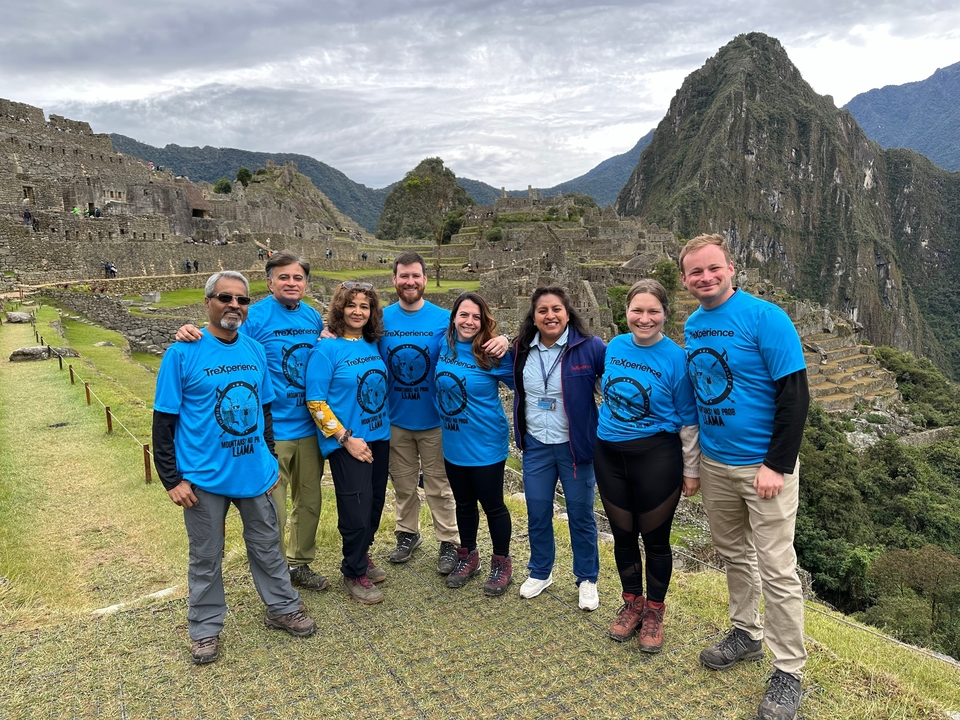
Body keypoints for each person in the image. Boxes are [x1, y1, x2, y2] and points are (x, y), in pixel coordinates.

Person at [152, 271, 317, 666]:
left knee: (267, 546)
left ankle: (281, 607)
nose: (234, 306)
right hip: (204, 477)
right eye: (225, 298)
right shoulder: (183, 353)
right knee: (206, 556)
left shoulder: (254, 350)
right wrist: (171, 479)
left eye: (241, 300)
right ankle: (205, 628)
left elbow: (265, 410)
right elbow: (163, 421)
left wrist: (271, 457)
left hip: (254, 472)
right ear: (208, 302)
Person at [680, 234, 809, 720]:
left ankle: (789, 670)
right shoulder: (693, 324)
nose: (705, 278)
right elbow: (698, 394)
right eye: (696, 272)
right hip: (715, 464)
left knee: (776, 565)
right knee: (734, 553)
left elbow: (795, 397)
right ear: (686, 279)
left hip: (763, 466)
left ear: (731, 268)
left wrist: (776, 464)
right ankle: (746, 633)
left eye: (713, 268)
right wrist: (694, 465)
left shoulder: (765, 318)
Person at [174, 251, 329, 592]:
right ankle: (274, 578)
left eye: (298, 277)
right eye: (283, 277)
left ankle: (300, 564)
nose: (291, 283)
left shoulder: (313, 318)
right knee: (273, 513)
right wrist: (189, 331)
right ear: (270, 282)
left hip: (308, 426)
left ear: (306, 283)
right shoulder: (254, 316)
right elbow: (224, 338)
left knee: (310, 501)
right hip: (268, 432)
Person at [594, 279, 700, 653]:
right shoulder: (615, 346)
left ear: (665, 314)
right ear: (626, 313)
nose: (644, 318)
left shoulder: (676, 358)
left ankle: (654, 611)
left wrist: (691, 470)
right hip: (608, 454)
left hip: (656, 455)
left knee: (655, 540)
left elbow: (688, 420)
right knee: (622, 536)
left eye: (653, 311)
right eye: (637, 310)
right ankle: (631, 605)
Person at [511, 286, 606, 611]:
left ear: (567, 313)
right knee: (537, 512)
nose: (550, 316)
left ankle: (587, 578)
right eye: (543, 311)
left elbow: (615, 380)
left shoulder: (590, 348)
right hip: (537, 446)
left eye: (556, 309)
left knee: (580, 515)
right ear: (534, 317)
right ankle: (541, 572)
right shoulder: (521, 349)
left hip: (575, 448)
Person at [305, 282, 391, 604]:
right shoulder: (326, 350)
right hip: (348, 442)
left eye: (364, 307)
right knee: (355, 509)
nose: (358, 311)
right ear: (340, 309)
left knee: (374, 503)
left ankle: (362, 555)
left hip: (379, 436)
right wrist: (345, 438)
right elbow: (315, 401)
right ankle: (354, 572)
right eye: (351, 305)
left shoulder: (371, 344)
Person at [437, 292, 516, 596]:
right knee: (464, 503)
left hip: (485, 443)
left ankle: (501, 562)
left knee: (493, 505)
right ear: (454, 317)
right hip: (454, 441)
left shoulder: (492, 352)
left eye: (476, 317)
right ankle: (467, 556)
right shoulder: (443, 346)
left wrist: (507, 339)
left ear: (484, 321)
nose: (469, 322)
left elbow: (524, 379)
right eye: (464, 315)